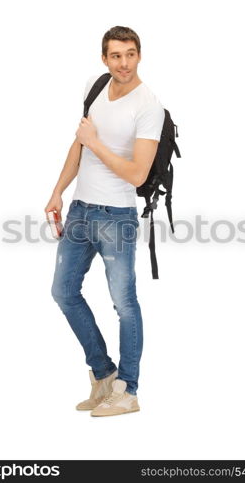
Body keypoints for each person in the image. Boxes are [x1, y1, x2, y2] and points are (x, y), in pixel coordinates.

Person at [45, 26, 165, 417]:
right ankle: (103, 375)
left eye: (130, 54)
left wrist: (95, 142)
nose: (124, 63)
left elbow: (137, 175)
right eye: (116, 55)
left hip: (117, 215)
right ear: (104, 59)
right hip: (80, 209)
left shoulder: (149, 107)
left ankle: (128, 390)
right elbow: (78, 144)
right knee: (63, 292)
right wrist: (57, 191)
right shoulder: (95, 87)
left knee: (124, 303)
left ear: (140, 55)